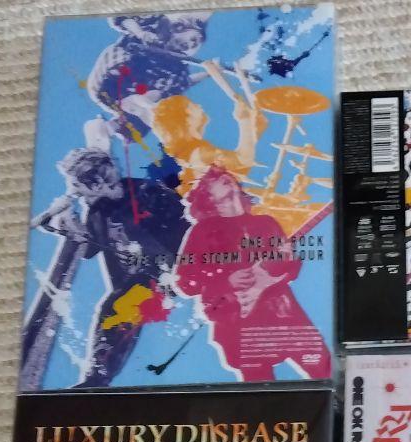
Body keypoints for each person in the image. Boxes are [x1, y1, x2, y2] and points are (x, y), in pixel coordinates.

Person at [33, 148, 187, 387]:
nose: (79, 192)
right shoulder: (98, 212)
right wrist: (71, 225)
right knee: (120, 310)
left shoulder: (146, 191)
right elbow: (89, 247)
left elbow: (183, 220)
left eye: (79, 185)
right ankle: (96, 379)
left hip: (173, 268)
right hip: (142, 279)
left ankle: (97, 379)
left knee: (119, 305)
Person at [175, 166, 329, 380]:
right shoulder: (202, 231)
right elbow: (185, 282)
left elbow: (291, 271)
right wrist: (226, 282)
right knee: (261, 392)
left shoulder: (265, 223)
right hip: (239, 324)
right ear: (209, 198)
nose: (225, 177)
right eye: (215, 180)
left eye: (226, 175)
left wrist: (287, 260)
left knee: (327, 370)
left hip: (284, 314)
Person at [84, 14, 211, 152]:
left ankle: (111, 127)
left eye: (194, 46)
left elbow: (186, 82)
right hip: (111, 78)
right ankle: (141, 104)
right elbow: (121, 19)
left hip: (123, 98)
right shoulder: (158, 28)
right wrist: (140, 32)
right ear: (181, 28)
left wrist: (209, 73)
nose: (190, 45)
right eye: (193, 39)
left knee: (165, 90)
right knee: (143, 76)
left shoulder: (177, 68)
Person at [151, 93, 265, 196]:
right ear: (186, 120)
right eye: (192, 106)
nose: (199, 105)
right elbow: (243, 160)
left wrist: (255, 130)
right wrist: (245, 120)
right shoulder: (201, 153)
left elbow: (233, 170)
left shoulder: (188, 153)